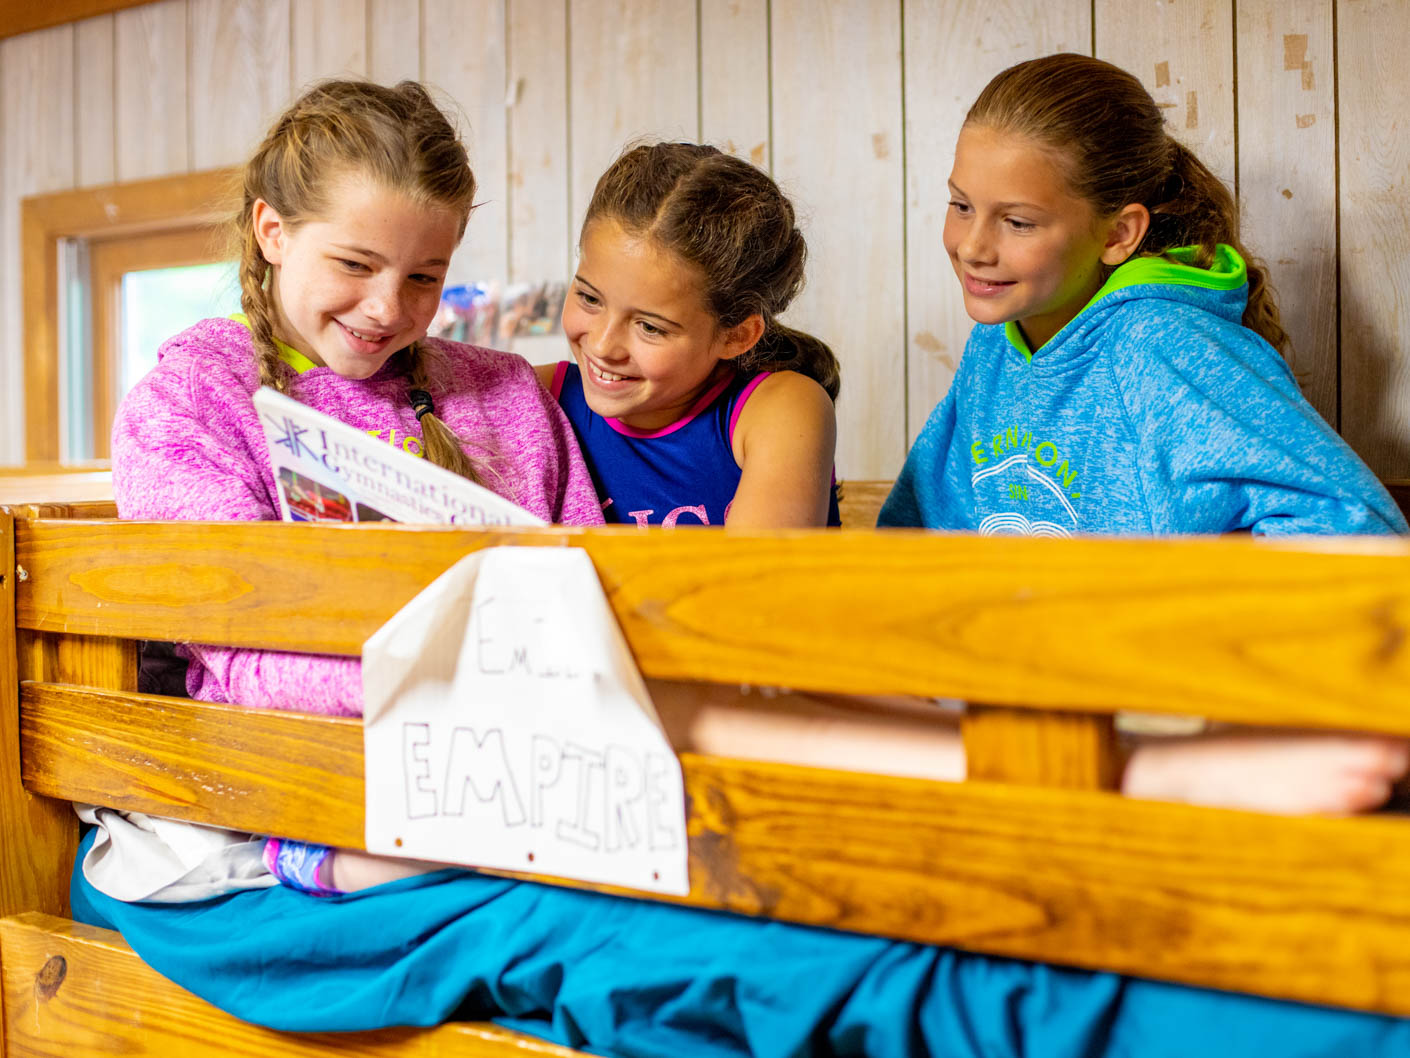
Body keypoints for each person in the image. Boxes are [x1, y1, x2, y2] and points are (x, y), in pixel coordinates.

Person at [106, 78, 604, 894]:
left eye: (423, 278)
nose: (386, 307)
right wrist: (452, 685)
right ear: (272, 230)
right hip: (319, 771)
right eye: (356, 264)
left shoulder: (506, 392)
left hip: (533, 743)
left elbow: (591, 571)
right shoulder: (188, 401)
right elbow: (241, 650)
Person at [879, 52, 1410, 815]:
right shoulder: (999, 344)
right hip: (1018, 706)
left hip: (1153, 724)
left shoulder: (1166, 344)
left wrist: (1184, 637)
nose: (973, 245)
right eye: (961, 205)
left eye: (1017, 221)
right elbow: (914, 540)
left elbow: (1359, 531)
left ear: (1120, 233)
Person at [535, 142, 841, 528]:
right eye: (590, 298)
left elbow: (762, 583)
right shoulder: (535, 399)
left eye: (649, 327)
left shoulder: (780, 410)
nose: (601, 345)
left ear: (737, 336)